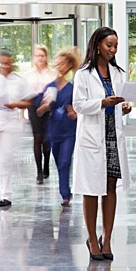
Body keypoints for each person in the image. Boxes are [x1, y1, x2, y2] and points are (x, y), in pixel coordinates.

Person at [72, 26, 131, 261]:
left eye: (115, 46)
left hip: (112, 137)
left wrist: (122, 108)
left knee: (110, 186)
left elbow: (118, 104)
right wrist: (102, 102)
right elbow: (78, 105)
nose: (113, 49)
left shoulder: (117, 73)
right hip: (92, 138)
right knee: (91, 189)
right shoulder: (83, 74)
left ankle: (107, 238)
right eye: (109, 45)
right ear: (97, 45)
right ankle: (91, 238)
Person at [0, 50, 33, 208]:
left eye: (7, 62)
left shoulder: (19, 80)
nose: (5, 65)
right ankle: (4, 192)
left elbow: (28, 102)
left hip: (11, 121)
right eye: (2, 63)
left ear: (12, 63)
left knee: (6, 157)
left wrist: (15, 104)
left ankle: (6, 195)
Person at [36, 48, 81, 207]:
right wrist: (46, 106)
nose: (59, 66)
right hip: (54, 131)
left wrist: (76, 114)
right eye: (57, 63)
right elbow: (39, 111)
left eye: (63, 64)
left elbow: (80, 108)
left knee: (64, 161)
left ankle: (65, 194)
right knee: (58, 161)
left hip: (69, 130)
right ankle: (65, 190)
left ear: (69, 66)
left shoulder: (73, 88)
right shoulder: (50, 87)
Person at [25, 44, 57, 184]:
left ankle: (46, 166)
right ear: (34, 57)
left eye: (42, 55)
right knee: (37, 137)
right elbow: (24, 95)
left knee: (47, 139)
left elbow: (56, 90)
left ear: (46, 57)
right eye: (37, 55)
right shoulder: (28, 75)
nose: (40, 58)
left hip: (48, 107)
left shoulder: (52, 74)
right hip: (33, 107)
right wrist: (21, 114)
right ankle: (38, 171)